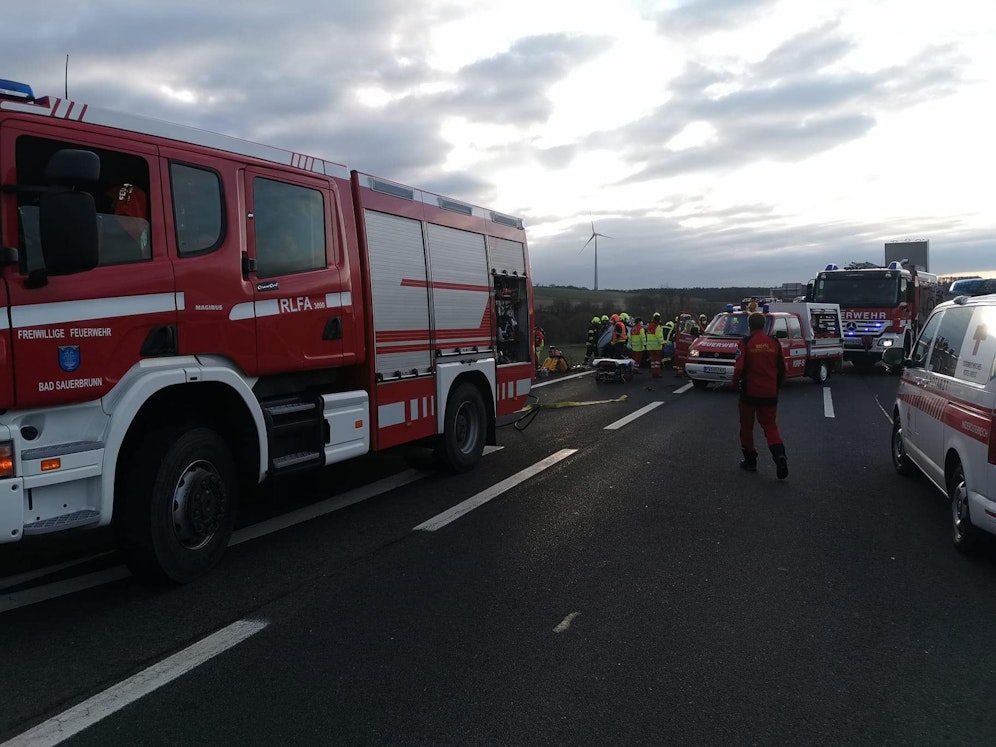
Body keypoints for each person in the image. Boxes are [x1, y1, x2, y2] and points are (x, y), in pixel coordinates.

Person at [730, 312, 788, 478]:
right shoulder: (774, 342)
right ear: (764, 325)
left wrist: (734, 383)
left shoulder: (746, 342)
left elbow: (739, 368)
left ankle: (750, 460)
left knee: (747, 427)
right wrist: (777, 387)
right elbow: (782, 369)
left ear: (750, 325)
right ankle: (779, 455)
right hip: (770, 392)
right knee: (770, 426)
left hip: (750, 392)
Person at [645, 312, 664, 377]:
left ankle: (653, 371)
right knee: (657, 361)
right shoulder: (657, 327)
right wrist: (662, 343)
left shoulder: (649, 326)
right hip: (657, 346)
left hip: (650, 346)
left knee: (652, 360)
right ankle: (656, 373)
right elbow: (659, 337)